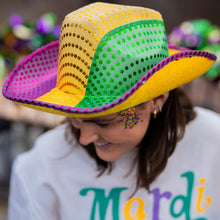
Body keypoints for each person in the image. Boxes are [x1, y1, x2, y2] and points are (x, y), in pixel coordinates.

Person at [2, 2, 220, 220]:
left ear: (158, 98)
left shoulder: (213, 144)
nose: (85, 138)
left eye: (104, 122)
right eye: (76, 118)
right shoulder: (41, 167)